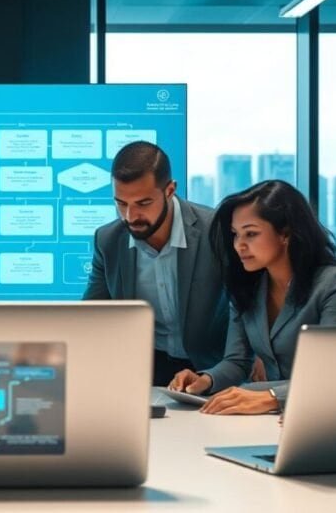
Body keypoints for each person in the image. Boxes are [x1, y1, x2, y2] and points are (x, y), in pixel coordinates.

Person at [168, 180, 336, 414]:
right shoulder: (248, 287)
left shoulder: (335, 284)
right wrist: (204, 379)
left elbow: (331, 376)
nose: (239, 245)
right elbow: (237, 362)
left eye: (251, 234)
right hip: (266, 419)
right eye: (236, 235)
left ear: (285, 233)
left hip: (318, 416)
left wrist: (270, 397)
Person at [84, 141, 228, 385]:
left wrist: (246, 359)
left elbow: (246, 304)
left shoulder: (215, 230)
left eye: (143, 203)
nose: (130, 216)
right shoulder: (108, 241)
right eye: (121, 203)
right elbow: (91, 316)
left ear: (170, 190)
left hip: (212, 366)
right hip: (145, 370)